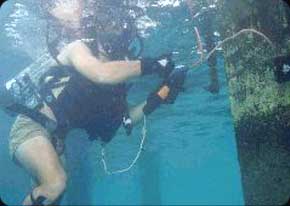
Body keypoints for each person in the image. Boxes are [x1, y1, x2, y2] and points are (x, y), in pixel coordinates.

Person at [2, 0, 187, 205]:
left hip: (53, 140)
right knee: (55, 184)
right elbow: (100, 73)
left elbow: (125, 118)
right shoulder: (76, 48)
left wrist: (163, 94)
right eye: (113, 27)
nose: (118, 37)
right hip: (30, 128)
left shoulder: (115, 79)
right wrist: (154, 65)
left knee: (53, 196)